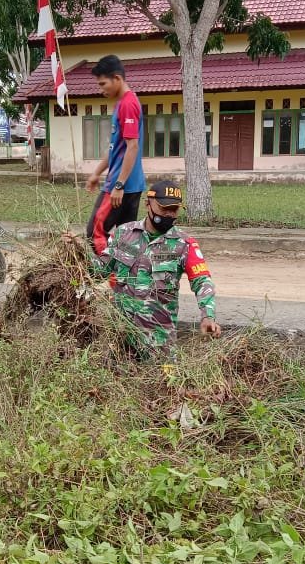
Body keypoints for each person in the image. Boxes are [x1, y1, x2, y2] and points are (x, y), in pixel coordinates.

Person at [66, 180, 222, 361]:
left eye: (174, 209)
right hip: (120, 339)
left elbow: (202, 281)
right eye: (164, 209)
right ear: (148, 204)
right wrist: (76, 252)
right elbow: (100, 270)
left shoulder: (184, 244)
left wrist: (208, 316)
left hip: (159, 343)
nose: (170, 214)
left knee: (160, 387)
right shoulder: (123, 233)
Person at [85, 54, 146, 255]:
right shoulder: (124, 103)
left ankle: (109, 276)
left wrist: (119, 185)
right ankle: (124, 283)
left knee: (94, 233)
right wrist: (96, 173)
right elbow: (115, 149)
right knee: (125, 239)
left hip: (120, 187)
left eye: (103, 84)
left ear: (117, 79)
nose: (101, 89)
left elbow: (133, 147)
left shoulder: (128, 104)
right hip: (132, 185)